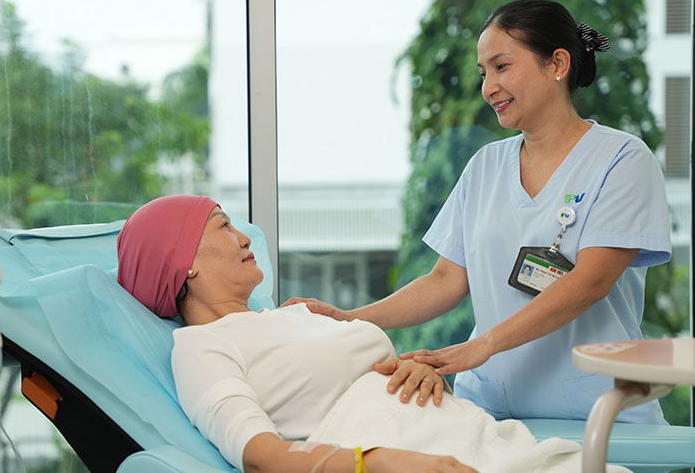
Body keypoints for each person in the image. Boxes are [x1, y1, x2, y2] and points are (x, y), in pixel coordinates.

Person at [284, 0, 671, 425]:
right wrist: (350, 318)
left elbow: (591, 281)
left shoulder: (621, 159)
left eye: (502, 67)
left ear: (557, 64)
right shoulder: (485, 165)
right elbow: (445, 280)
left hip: (597, 410)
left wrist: (481, 346)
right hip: (492, 412)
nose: (488, 88)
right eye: (483, 73)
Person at [116, 195, 630, 473]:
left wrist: (418, 372)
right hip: (407, 458)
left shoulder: (294, 315)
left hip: (477, 439)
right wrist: (382, 462)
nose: (244, 236)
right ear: (183, 264)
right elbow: (260, 456)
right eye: (224, 227)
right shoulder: (201, 347)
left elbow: (365, 377)